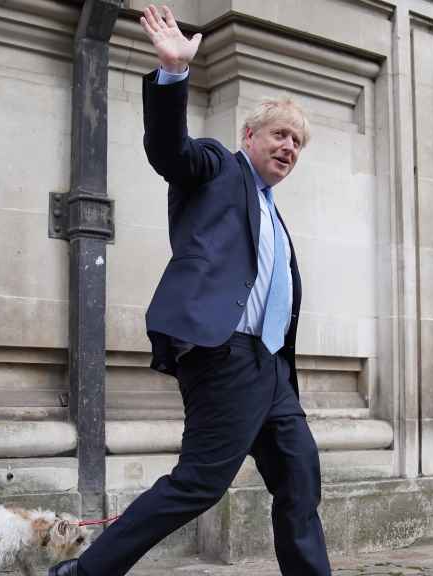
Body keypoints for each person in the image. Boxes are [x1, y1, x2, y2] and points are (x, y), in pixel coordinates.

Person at [50, 4, 331, 575]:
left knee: (301, 480)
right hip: (225, 354)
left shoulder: (273, 213)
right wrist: (175, 74)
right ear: (249, 135)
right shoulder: (217, 168)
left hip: (272, 367)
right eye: (280, 135)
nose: (289, 149)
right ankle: (82, 572)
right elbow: (168, 151)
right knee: (198, 485)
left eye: (298, 143)